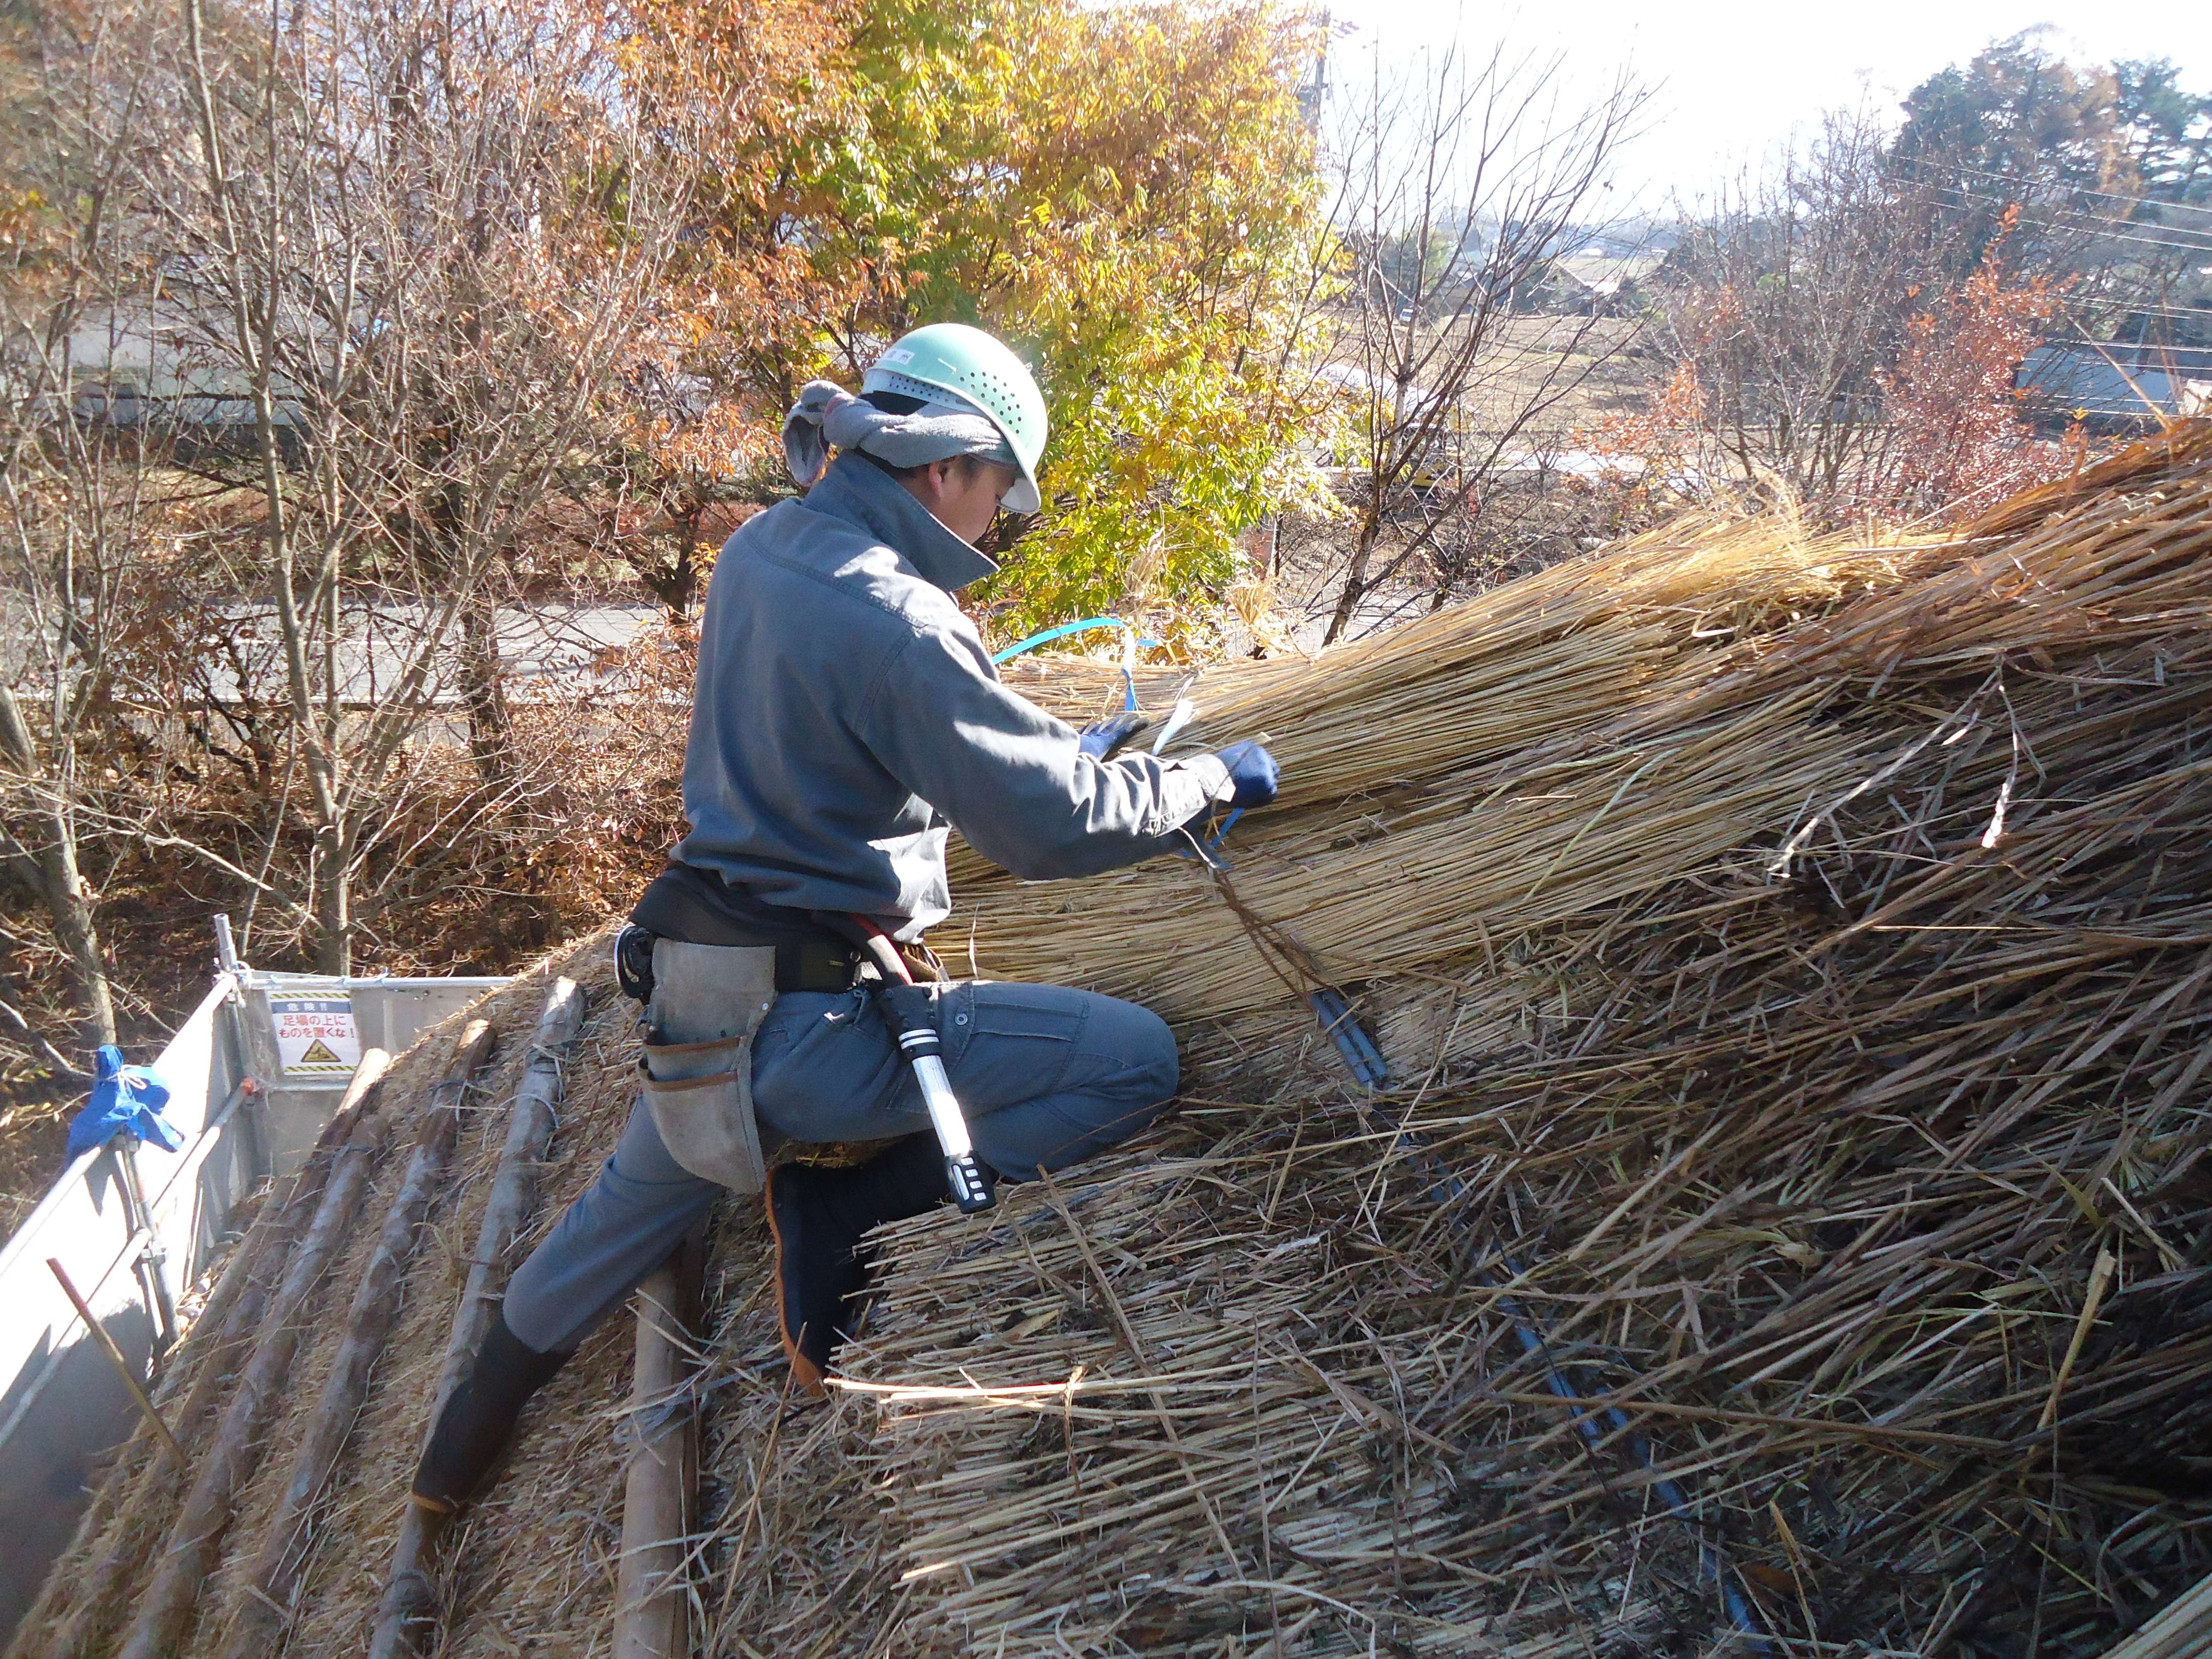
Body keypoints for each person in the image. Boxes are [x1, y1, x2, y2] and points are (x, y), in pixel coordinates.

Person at [409, 323, 1280, 1514]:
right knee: (1136, 1061)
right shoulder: (903, 621)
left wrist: (1023, 745)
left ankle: (452, 1455)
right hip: (812, 1039)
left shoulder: (764, 551)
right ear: (947, 471)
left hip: (697, 1003)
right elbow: (1049, 829)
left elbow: (851, 740)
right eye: (1000, 495)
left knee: (607, 1229)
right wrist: (1204, 784)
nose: (995, 524)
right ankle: (847, 1204)